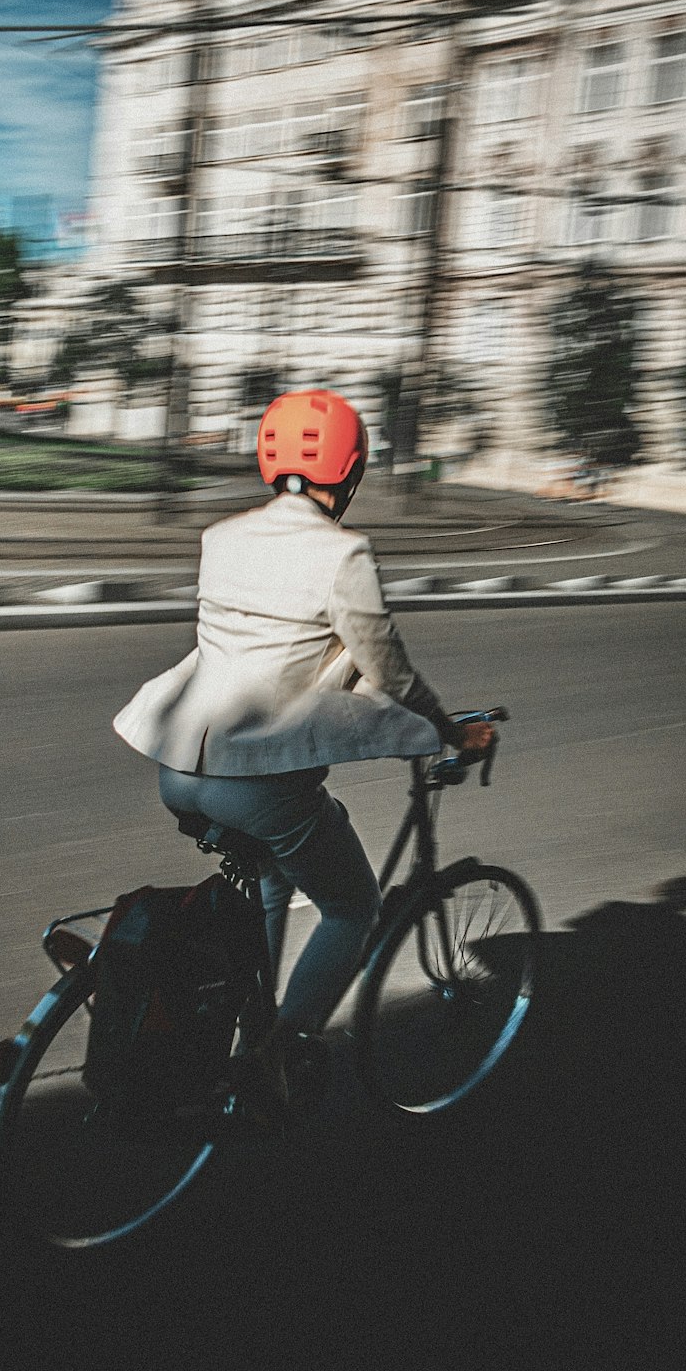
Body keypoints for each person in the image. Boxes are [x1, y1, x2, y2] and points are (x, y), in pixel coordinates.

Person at [113, 389, 492, 1083]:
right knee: (353, 906)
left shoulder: (221, 537)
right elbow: (392, 674)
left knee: (276, 868)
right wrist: (451, 733)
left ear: (267, 459)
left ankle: (248, 1022)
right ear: (350, 472)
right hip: (257, 779)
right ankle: (272, 1058)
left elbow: (264, 649)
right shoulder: (344, 553)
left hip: (178, 766)